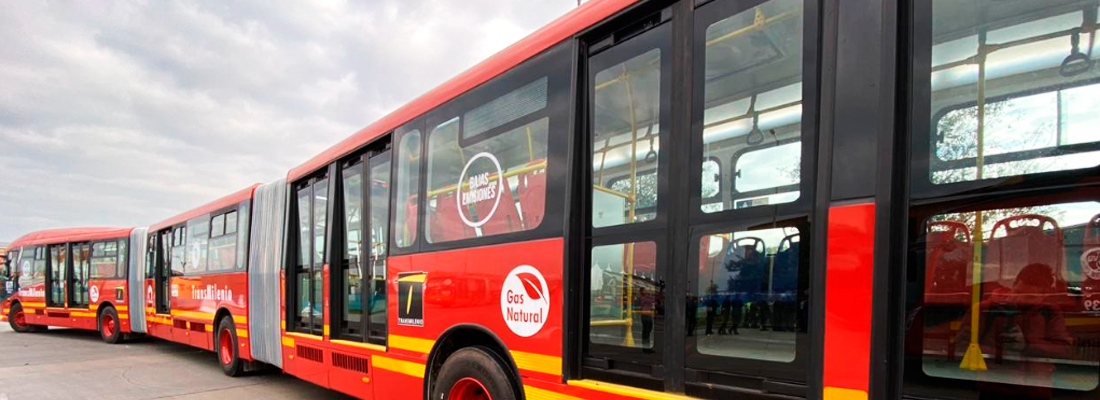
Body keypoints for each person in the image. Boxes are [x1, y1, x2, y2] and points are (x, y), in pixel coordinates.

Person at [954, 263, 1071, 398]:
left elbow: (1064, 349)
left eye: (1029, 297)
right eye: (1018, 292)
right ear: (1013, 285)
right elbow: (961, 346)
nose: (1020, 299)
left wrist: (1027, 345)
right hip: (996, 388)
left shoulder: (1049, 312)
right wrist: (999, 353)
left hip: (1036, 389)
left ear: (1043, 295)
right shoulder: (988, 309)